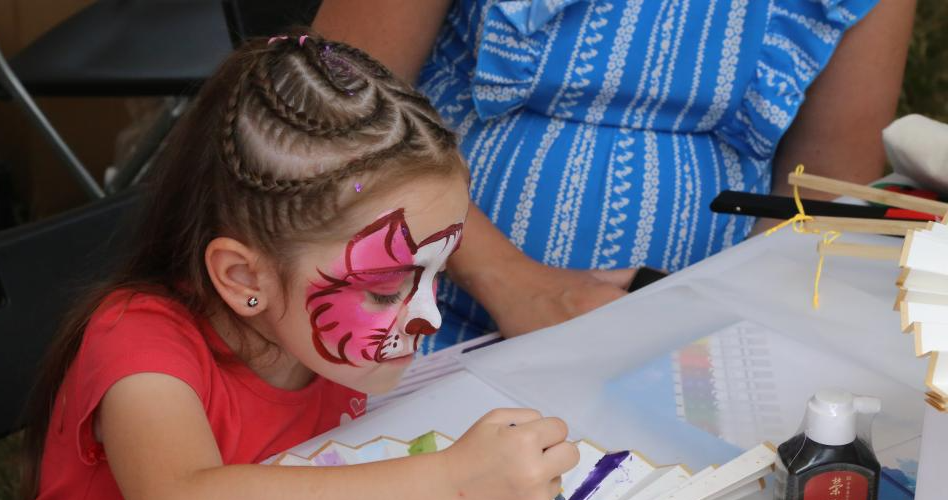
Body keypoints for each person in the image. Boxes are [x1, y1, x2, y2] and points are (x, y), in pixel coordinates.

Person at [22, 35, 579, 500]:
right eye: (384, 289)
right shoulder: (137, 342)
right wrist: (453, 484)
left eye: (439, 270)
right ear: (244, 277)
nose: (429, 317)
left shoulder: (307, 340)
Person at [313, 0, 915, 350]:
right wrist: (509, 281)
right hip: (417, 312)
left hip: (694, 351)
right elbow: (332, 115)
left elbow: (824, 191)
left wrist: (724, 322)